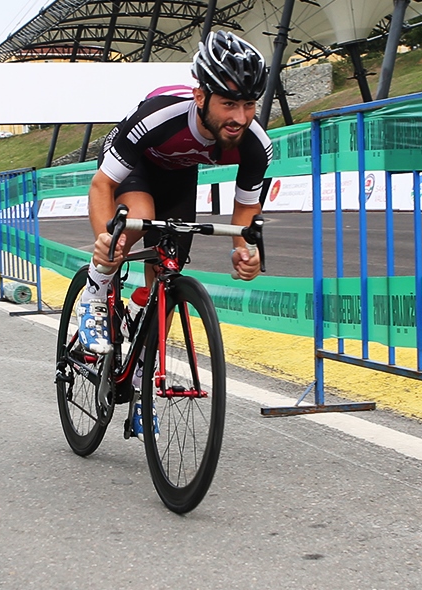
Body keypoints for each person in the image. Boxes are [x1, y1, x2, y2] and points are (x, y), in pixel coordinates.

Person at [78, 30, 271, 438]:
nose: (240, 117)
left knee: (167, 275)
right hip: (137, 164)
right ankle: (94, 297)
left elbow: (245, 212)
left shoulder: (255, 143)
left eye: (249, 104)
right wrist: (106, 244)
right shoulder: (160, 117)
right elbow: (102, 185)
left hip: (178, 176)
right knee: (136, 221)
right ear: (201, 97)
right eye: (229, 103)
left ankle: (139, 381)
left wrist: (243, 250)